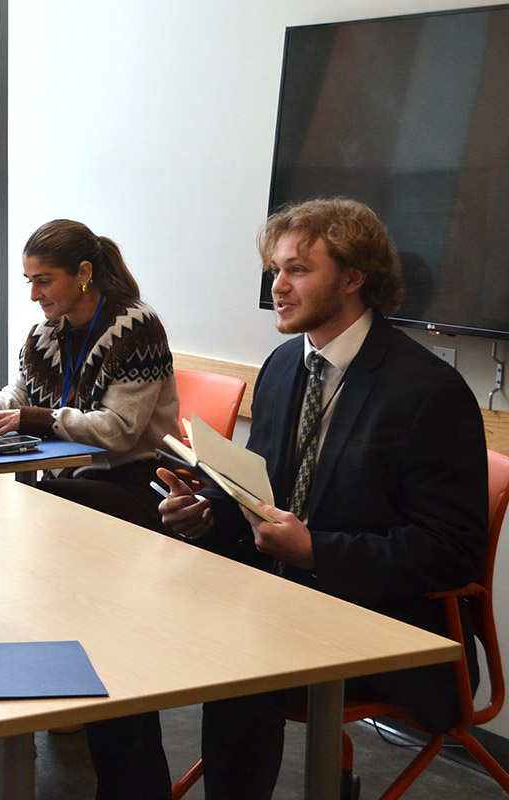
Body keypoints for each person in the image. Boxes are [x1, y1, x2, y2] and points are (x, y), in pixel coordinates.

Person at [105, 197, 485, 800]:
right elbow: (267, 495)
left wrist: (316, 550)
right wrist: (205, 513)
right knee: (121, 618)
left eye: (298, 270)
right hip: (280, 590)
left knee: (240, 661)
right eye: (275, 270)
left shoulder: (426, 392)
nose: (277, 286)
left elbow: (451, 551)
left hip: (379, 617)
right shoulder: (285, 366)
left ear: (355, 277)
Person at [0, 219, 180, 532]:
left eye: (43, 281)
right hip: (75, 478)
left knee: (35, 506)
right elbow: (20, 397)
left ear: (83, 273)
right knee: (26, 504)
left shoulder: (137, 330)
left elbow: (118, 431)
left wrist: (32, 418)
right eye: (29, 281)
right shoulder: (44, 335)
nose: (33, 294)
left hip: (142, 486)